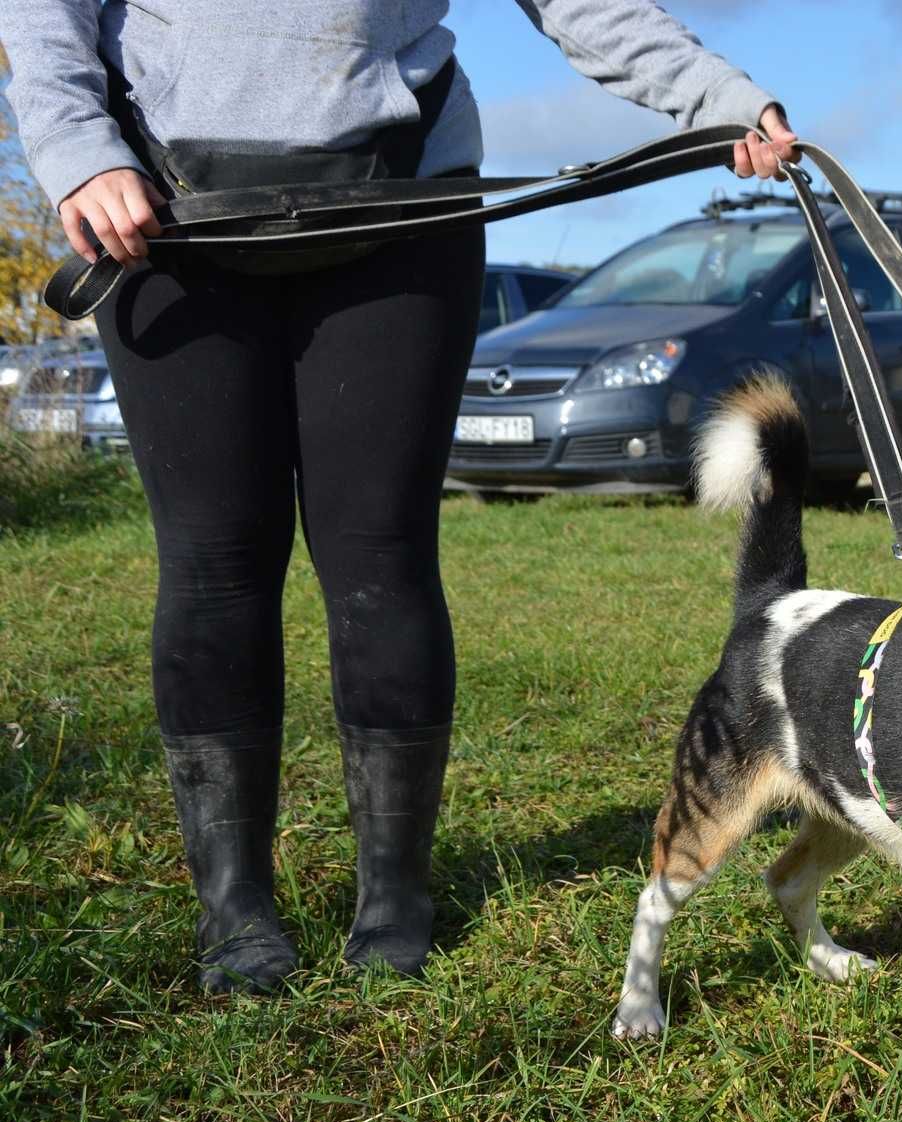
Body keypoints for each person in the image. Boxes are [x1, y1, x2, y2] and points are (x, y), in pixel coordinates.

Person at [0, 2, 796, 992]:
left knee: (380, 552)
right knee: (213, 561)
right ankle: (235, 906)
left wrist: (716, 101)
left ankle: (394, 894)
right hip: (162, 208)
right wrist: (80, 147)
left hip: (400, 201)